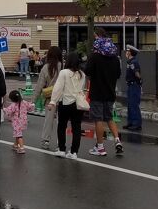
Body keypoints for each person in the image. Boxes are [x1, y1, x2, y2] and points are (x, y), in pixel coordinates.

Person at [85, 28, 123, 156]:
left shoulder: (95, 56)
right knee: (109, 118)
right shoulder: (115, 58)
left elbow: (88, 71)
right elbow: (118, 74)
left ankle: (100, 147)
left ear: (99, 38)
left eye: (95, 37)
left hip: (97, 92)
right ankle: (117, 141)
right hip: (110, 92)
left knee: (98, 119)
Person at [49, 52, 86, 159]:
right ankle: (74, 152)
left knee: (62, 126)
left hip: (65, 103)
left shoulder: (64, 72)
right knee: (76, 128)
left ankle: (61, 149)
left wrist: (52, 102)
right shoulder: (82, 74)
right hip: (78, 104)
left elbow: (58, 88)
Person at [35, 46, 63, 149]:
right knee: (61, 122)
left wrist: (33, 100)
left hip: (49, 98)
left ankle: (46, 140)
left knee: (48, 120)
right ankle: (60, 143)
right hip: (61, 98)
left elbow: (39, 85)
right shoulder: (62, 66)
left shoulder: (45, 68)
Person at [3, 90, 34, 154]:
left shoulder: (14, 105)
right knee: (18, 134)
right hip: (24, 122)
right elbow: (30, 107)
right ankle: (15, 145)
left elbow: (8, 111)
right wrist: (32, 104)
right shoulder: (24, 102)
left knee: (19, 135)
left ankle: (22, 148)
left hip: (17, 122)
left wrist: (3, 109)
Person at [124, 45, 143, 131]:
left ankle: (136, 124)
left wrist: (139, 80)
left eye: (127, 51)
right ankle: (130, 122)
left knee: (134, 104)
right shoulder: (130, 62)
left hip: (134, 85)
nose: (126, 52)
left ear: (130, 52)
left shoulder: (134, 62)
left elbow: (137, 73)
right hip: (130, 85)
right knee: (130, 105)